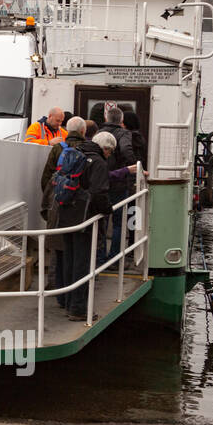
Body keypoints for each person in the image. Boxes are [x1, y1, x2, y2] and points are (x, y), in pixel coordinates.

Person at [57, 130, 133, 321]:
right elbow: (99, 193)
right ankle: (78, 309)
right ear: (106, 149)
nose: (109, 156)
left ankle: (67, 301)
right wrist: (108, 209)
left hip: (67, 214)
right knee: (82, 263)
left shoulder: (77, 152)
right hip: (84, 217)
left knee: (70, 259)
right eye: (110, 152)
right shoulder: (98, 162)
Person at [41, 116, 86, 304]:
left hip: (55, 201)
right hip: (75, 205)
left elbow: (46, 176)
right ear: (83, 132)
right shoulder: (86, 150)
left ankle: (53, 285)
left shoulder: (58, 148)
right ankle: (70, 293)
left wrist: (47, 201)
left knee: (56, 248)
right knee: (73, 251)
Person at [98, 103, 137, 263]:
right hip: (119, 183)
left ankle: (99, 258)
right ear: (121, 120)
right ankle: (114, 259)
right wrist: (136, 167)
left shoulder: (99, 132)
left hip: (101, 182)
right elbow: (126, 149)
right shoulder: (124, 133)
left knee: (101, 221)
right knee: (118, 223)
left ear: (106, 118)